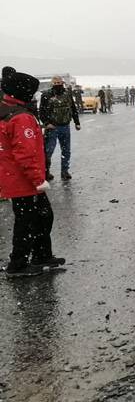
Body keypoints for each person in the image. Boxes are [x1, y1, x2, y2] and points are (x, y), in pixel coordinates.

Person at [1, 69, 65, 277]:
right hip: (24, 181)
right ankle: (18, 264)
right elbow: (26, 154)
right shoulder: (22, 118)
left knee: (39, 217)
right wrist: (38, 179)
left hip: (15, 178)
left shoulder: (7, 110)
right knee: (29, 220)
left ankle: (40, 254)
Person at [39, 76, 81, 181]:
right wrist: (47, 123)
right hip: (52, 127)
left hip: (65, 126)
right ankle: (46, 172)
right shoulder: (46, 95)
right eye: (55, 82)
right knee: (48, 151)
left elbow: (73, 108)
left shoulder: (67, 94)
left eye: (59, 82)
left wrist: (77, 122)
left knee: (66, 151)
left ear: (62, 82)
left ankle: (64, 171)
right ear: (52, 83)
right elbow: (42, 111)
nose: (58, 84)